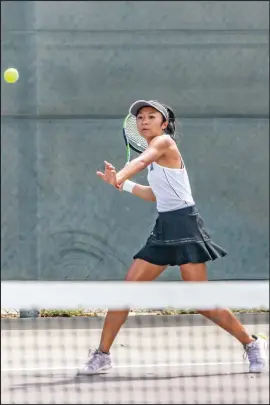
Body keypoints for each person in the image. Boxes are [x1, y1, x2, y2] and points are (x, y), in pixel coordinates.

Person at [77, 100, 267, 375]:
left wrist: (120, 174)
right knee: (125, 292)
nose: (143, 121)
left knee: (202, 301)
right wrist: (122, 183)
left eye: (151, 116)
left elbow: (139, 161)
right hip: (165, 227)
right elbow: (154, 194)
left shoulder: (164, 144)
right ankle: (103, 354)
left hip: (186, 226)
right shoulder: (157, 158)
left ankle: (251, 344)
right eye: (140, 117)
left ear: (163, 124)